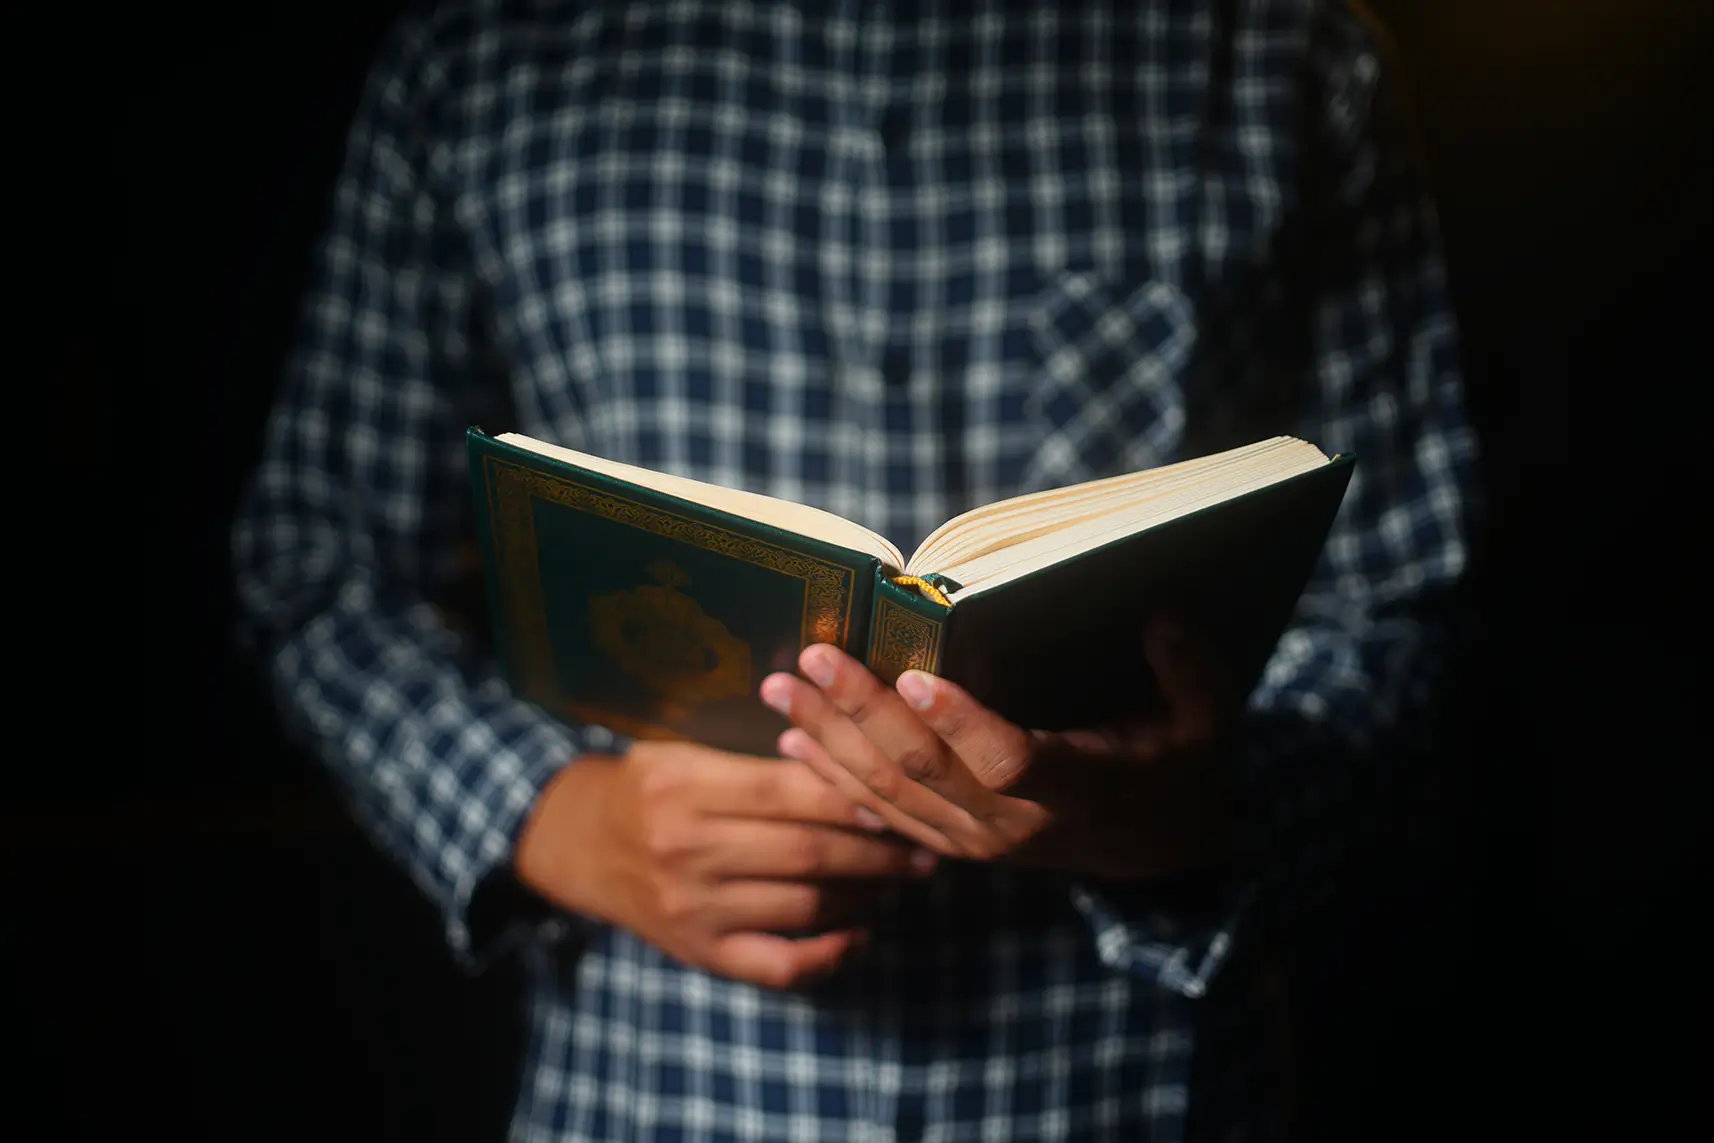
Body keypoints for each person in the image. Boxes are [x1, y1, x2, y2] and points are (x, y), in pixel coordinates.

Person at [233, 1, 1476, 1139]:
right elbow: (316, 562)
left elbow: (1405, 599)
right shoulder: (477, 55)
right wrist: (555, 819)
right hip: (655, 1086)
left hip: (1131, 1089)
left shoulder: (1283, 49)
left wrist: (1205, 812)